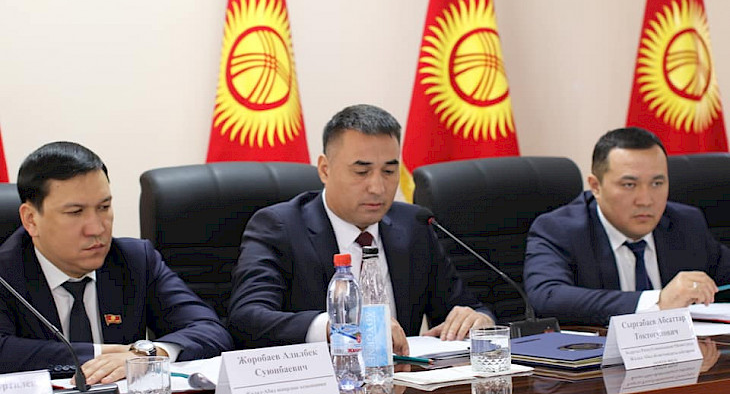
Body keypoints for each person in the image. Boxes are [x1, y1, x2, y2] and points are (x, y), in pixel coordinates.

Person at [227, 104, 494, 353]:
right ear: (325, 169)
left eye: (389, 172)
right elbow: (247, 317)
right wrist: (338, 327)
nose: (377, 187)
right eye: (362, 172)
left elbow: (465, 307)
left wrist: (478, 319)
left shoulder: (413, 225)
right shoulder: (280, 227)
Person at [0, 142, 232, 383]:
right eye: (76, 212)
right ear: (31, 219)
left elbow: (210, 330)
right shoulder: (5, 273)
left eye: (104, 207)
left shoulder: (134, 260)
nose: (97, 228)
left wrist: (148, 354)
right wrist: (100, 355)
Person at [524, 127, 730, 325]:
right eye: (629, 185)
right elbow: (547, 296)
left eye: (657, 183)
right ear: (596, 186)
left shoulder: (685, 223)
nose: (646, 200)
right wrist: (657, 302)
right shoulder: (559, 230)